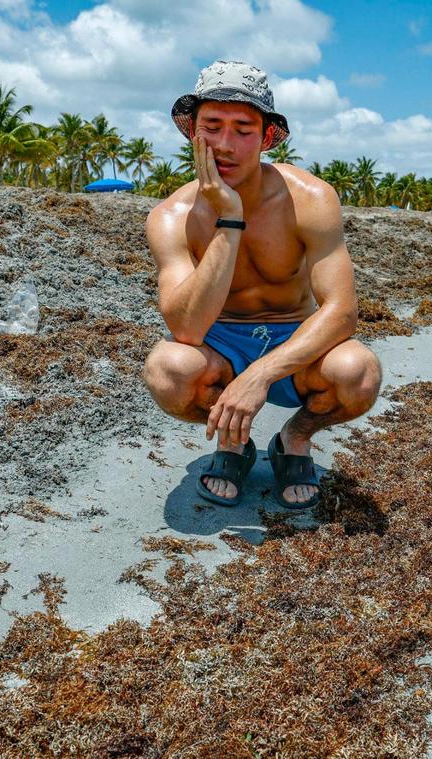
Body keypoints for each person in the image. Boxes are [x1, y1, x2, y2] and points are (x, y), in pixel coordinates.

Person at [143, 61, 382, 510]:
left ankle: (293, 440)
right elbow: (187, 331)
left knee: (359, 372)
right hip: (219, 347)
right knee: (166, 370)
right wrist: (228, 219)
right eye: (212, 126)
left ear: (267, 138)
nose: (226, 145)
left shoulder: (310, 198)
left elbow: (342, 312)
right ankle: (235, 442)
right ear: (193, 132)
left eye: (244, 130)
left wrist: (259, 375)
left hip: (295, 339)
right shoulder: (171, 216)